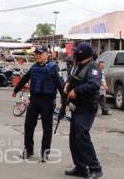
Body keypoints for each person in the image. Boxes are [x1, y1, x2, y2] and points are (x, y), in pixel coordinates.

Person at [12, 45, 65, 162]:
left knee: (47, 128)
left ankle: (45, 153)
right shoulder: (34, 67)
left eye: (40, 53)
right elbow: (25, 78)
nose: (38, 55)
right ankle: (28, 149)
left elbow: (61, 85)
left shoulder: (53, 68)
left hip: (47, 101)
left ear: (47, 54)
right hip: (34, 100)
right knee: (29, 125)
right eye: (36, 53)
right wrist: (16, 90)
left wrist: (65, 101)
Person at [65, 43, 103, 179]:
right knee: (74, 139)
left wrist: (76, 90)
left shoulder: (94, 67)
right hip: (77, 107)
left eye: (77, 52)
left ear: (84, 53)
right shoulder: (78, 65)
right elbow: (73, 81)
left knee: (82, 136)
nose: (74, 54)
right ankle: (81, 168)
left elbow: (94, 85)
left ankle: (95, 168)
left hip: (87, 107)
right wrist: (68, 86)